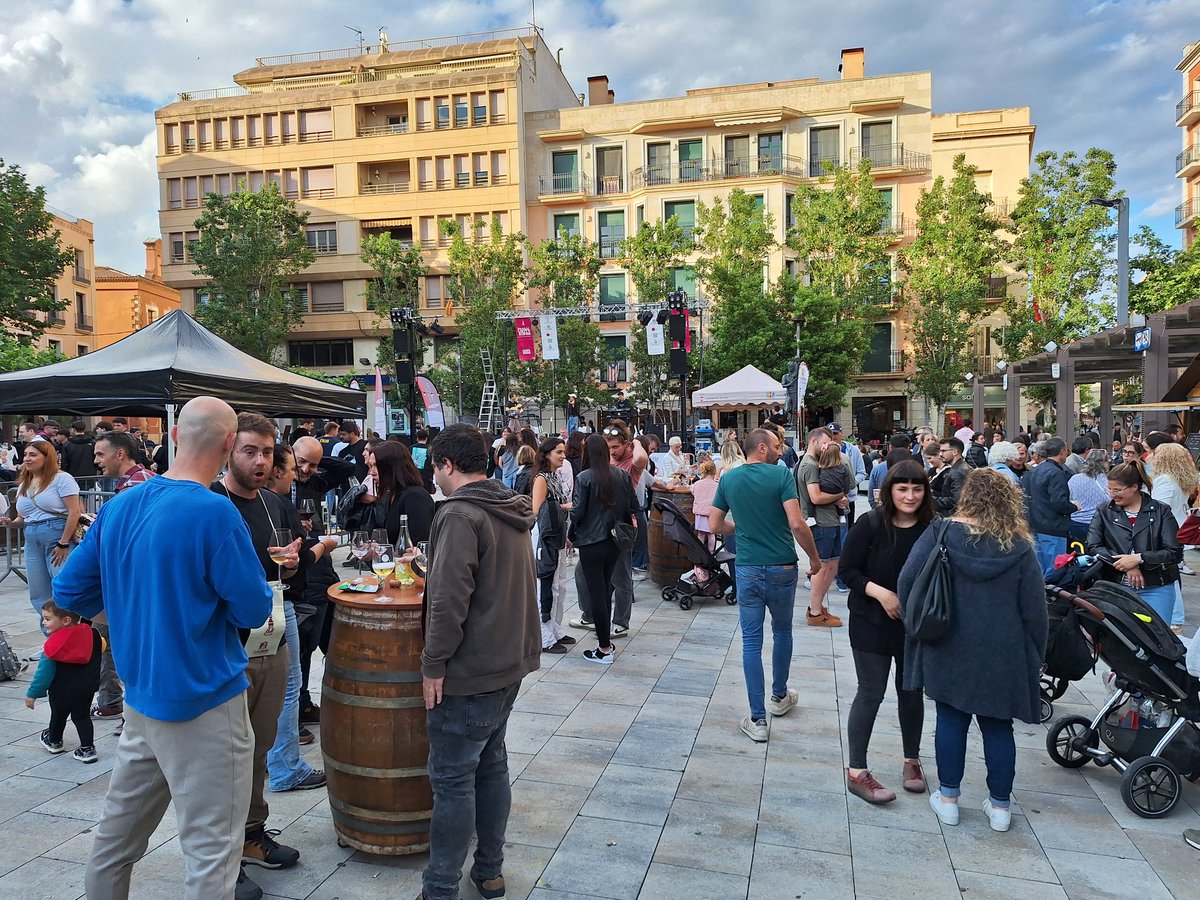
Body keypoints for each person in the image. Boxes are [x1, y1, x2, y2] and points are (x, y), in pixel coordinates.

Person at [52, 396, 272, 900]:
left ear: (174, 438)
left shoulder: (121, 505)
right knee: (212, 857)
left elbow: (68, 592)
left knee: (113, 843)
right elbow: (252, 609)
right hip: (206, 706)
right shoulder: (215, 513)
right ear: (227, 446)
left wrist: (130, 611)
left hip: (141, 702)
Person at [416, 424, 539, 900]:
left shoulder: (461, 514)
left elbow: (448, 600)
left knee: (452, 780)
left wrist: (433, 662)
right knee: (491, 767)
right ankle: (488, 871)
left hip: (470, 670)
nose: (435, 477)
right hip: (508, 661)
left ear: (446, 464)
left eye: (436, 467)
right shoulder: (507, 506)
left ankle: (440, 886)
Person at [899, 468, 1047, 833]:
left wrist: (918, 623)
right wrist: (1036, 655)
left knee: (950, 720)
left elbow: (907, 580)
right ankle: (1000, 808)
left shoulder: (942, 532)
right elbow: (1035, 609)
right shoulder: (1019, 546)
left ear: (967, 496)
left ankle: (948, 800)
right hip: (1004, 649)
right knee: (998, 727)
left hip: (948, 642)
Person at [212, 412, 312, 896]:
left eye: (267, 452)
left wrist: (292, 565)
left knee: (260, 744)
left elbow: (291, 576)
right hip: (226, 645)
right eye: (249, 450)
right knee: (226, 754)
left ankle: (252, 835)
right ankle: (223, 860)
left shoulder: (275, 503)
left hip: (271, 636)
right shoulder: (212, 503)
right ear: (229, 449)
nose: (259, 460)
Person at [708, 428, 821, 742]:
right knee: (783, 631)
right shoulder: (781, 476)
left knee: (751, 642)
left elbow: (715, 525)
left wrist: (741, 527)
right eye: (776, 445)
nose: (780, 449)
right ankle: (779, 695)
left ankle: (757, 720)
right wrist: (814, 559)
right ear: (761, 447)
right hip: (783, 566)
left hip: (748, 568)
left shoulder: (729, 480)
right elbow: (797, 523)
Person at [839, 460, 933, 803]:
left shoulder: (932, 529)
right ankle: (856, 770)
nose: (910, 496)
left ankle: (912, 759)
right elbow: (847, 571)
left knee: (911, 691)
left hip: (914, 625)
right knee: (871, 691)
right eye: (903, 489)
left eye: (917, 489)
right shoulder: (871, 523)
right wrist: (881, 593)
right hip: (870, 621)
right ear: (890, 491)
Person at [264, 443, 337, 780]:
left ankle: (273, 762)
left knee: (271, 684)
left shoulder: (250, 502)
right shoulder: (276, 505)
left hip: (266, 602)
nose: (297, 475)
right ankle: (285, 767)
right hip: (281, 603)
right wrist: (323, 546)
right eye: (294, 468)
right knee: (288, 685)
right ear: (278, 471)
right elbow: (298, 564)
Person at [0, 439, 83, 631]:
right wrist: (11, 523)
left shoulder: (62, 479)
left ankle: (71, 633)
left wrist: (63, 543)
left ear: (47, 458)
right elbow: (23, 517)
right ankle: (51, 635)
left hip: (56, 535)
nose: (27, 459)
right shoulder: (24, 483)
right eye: (26, 455)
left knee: (62, 587)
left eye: (33, 455)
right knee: (38, 592)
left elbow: (74, 512)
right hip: (32, 537)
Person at [571, 434, 639, 664]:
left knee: (597, 593)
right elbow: (634, 506)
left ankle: (604, 647)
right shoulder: (621, 475)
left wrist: (572, 533)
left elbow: (578, 512)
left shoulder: (584, 478)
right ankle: (605, 642)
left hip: (591, 542)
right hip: (615, 541)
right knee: (606, 588)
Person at [1088, 463, 1183, 625]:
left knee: (1158, 637)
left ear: (1134, 487)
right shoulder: (1104, 511)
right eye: (1109, 489)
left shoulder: (1161, 511)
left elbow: (1174, 552)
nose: (1112, 495)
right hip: (1115, 586)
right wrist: (1127, 564)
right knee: (1120, 640)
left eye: (1117, 490)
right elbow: (1093, 546)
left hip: (1156, 586)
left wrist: (1140, 558)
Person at [25, 599, 103, 763]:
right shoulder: (93, 633)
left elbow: (43, 673)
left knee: (58, 715)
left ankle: (54, 741)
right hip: (86, 687)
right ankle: (87, 749)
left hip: (61, 690)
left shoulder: (53, 645)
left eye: (47, 618)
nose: (44, 622)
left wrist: (33, 694)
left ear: (66, 620)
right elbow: (101, 646)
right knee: (82, 717)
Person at [795, 426, 845, 627]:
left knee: (832, 565)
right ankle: (815, 612)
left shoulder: (814, 463)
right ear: (813, 441)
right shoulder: (809, 465)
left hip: (828, 520)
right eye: (824, 443)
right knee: (822, 566)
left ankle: (818, 607)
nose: (826, 447)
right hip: (821, 523)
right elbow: (815, 497)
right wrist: (838, 497)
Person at [532, 437, 575, 654]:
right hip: (546, 537)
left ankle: (554, 629)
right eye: (559, 452)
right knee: (546, 586)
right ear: (547, 454)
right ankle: (544, 636)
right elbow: (537, 511)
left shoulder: (554, 477)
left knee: (560, 586)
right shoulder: (542, 479)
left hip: (557, 536)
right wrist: (564, 506)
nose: (563, 456)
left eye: (563, 452)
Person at [1023, 436, 1075, 575]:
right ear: (1063, 451)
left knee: (1039, 571)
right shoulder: (1056, 473)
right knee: (1055, 571)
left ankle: (1040, 596)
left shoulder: (1034, 471)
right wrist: (1074, 507)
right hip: (1053, 528)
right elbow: (1059, 503)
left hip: (1035, 526)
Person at [1067, 450, 1111, 545]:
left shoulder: (1074, 478)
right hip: (1098, 523)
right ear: (1103, 463)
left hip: (1076, 522)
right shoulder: (1108, 481)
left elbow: (1068, 498)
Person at [690, 458, 721, 586]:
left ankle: (700, 553)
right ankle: (711, 553)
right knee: (711, 535)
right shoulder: (717, 485)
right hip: (711, 513)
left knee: (701, 535)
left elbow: (692, 490)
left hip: (700, 514)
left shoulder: (697, 484)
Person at [818, 443, 855, 526]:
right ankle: (841, 514)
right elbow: (847, 482)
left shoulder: (821, 468)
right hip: (837, 490)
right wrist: (845, 493)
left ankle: (810, 516)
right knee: (841, 501)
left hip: (824, 489)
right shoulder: (843, 468)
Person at [934, 437, 969, 515]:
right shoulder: (960, 467)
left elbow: (956, 500)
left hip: (953, 516)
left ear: (954, 452)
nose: (940, 454)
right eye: (940, 451)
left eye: (943, 451)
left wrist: (932, 500)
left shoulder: (957, 472)